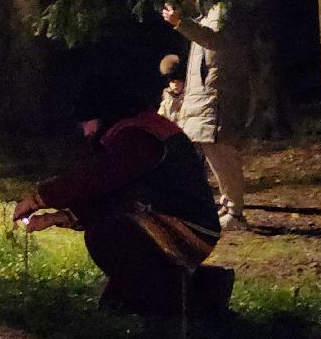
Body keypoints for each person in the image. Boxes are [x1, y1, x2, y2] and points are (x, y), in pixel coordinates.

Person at [12, 84, 233, 318]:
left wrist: (41, 197)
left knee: (107, 237)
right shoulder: (138, 128)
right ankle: (159, 297)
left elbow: (97, 178)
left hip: (187, 228)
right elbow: (116, 195)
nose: (86, 132)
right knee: (116, 260)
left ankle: (184, 301)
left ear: (103, 114)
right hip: (172, 218)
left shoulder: (137, 135)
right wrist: (56, 217)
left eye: (86, 122)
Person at [161, 0, 250, 230]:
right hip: (206, 93)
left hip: (218, 93)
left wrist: (181, 23)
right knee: (211, 148)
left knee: (221, 149)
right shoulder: (208, 13)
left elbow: (216, 40)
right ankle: (227, 202)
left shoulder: (224, 9)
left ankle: (235, 213)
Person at [157, 54, 185, 123]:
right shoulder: (165, 104)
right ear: (169, 83)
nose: (176, 84)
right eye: (173, 81)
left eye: (179, 81)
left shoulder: (189, 99)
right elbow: (160, 123)